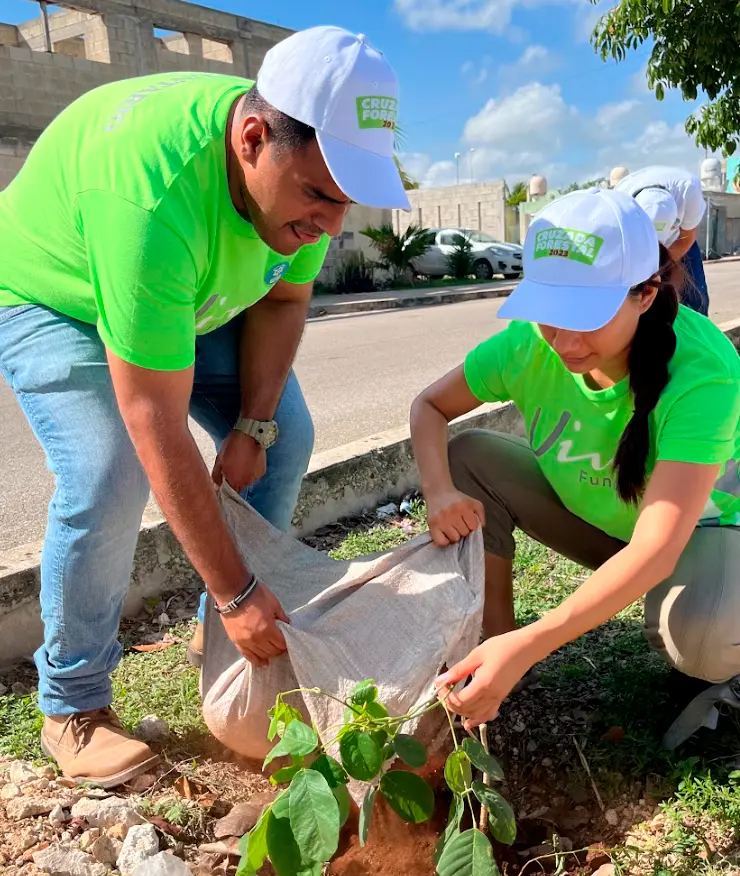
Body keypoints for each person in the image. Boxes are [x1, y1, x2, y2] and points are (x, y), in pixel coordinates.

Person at [0, 26, 409, 787]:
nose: (329, 225)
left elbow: (285, 299)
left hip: (183, 293)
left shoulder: (305, 188)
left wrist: (254, 425)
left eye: (345, 202)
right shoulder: (152, 195)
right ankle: (72, 706)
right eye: (319, 196)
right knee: (108, 471)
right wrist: (240, 590)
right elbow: (152, 415)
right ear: (253, 137)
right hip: (54, 293)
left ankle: (214, 637)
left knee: (286, 435)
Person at [410, 187, 740, 735]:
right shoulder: (527, 346)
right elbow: (429, 407)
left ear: (644, 294)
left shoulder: (703, 371)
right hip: (611, 524)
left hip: (696, 537)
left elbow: (657, 549)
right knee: (467, 456)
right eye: (547, 314)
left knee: (705, 639)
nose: (562, 340)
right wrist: (439, 492)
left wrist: (536, 643)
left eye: (583, 315)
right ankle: (494, 643)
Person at [615, 165, 709, 315]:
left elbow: (688, 237)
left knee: (695, 295)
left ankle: (699, 325)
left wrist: (665, 266)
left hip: (680, 239)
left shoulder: (688, 190)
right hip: (639, 246)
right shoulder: (620, 199)